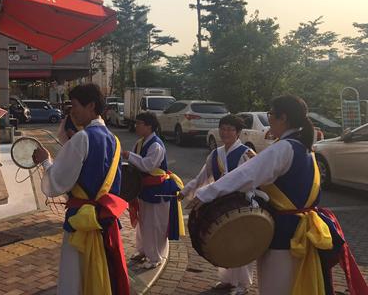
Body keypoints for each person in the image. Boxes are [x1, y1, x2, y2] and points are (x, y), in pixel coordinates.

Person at [189, 95, 367, 295]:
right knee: (295, 284)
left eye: (271, 114)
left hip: (284, 232)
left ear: (283, 117)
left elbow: (246, 174)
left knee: (277, 287)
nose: (269, 118)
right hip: (300, 230)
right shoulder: (303, 147)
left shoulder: (284, 147)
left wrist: (206, 194)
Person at [32, 83, 129, 295]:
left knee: (74, 276)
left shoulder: (82, 138)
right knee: (100, 269)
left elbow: (58, 182)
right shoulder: (114, 140)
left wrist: (45, 161)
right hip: (104, 219)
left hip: (80, 220)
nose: (71, 111)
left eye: (74, 105)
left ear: (91, 105)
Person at [179, 114, 256, 295]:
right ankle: (228, 279)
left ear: (238, 133)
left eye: (230, 129)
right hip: (221, 206)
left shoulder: (246, 153)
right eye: (223, 128)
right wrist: (184, 192)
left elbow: (251, 181)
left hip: (241, 205)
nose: (225, 132)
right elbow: (201, 177)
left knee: (241, 244)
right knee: (225, 242)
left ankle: (243, 284)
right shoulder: (215, 154)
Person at [122, 112, 184, 269]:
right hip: (145, 189)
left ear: (149, 126)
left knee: (155, 224)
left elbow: (147, 165)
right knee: (144, 222)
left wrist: (129, 156)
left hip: (157, 189)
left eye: (139, 123)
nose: (136, 126)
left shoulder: (156, 145)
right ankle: (143, 250)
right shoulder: (141, 142)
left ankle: (155, 257)